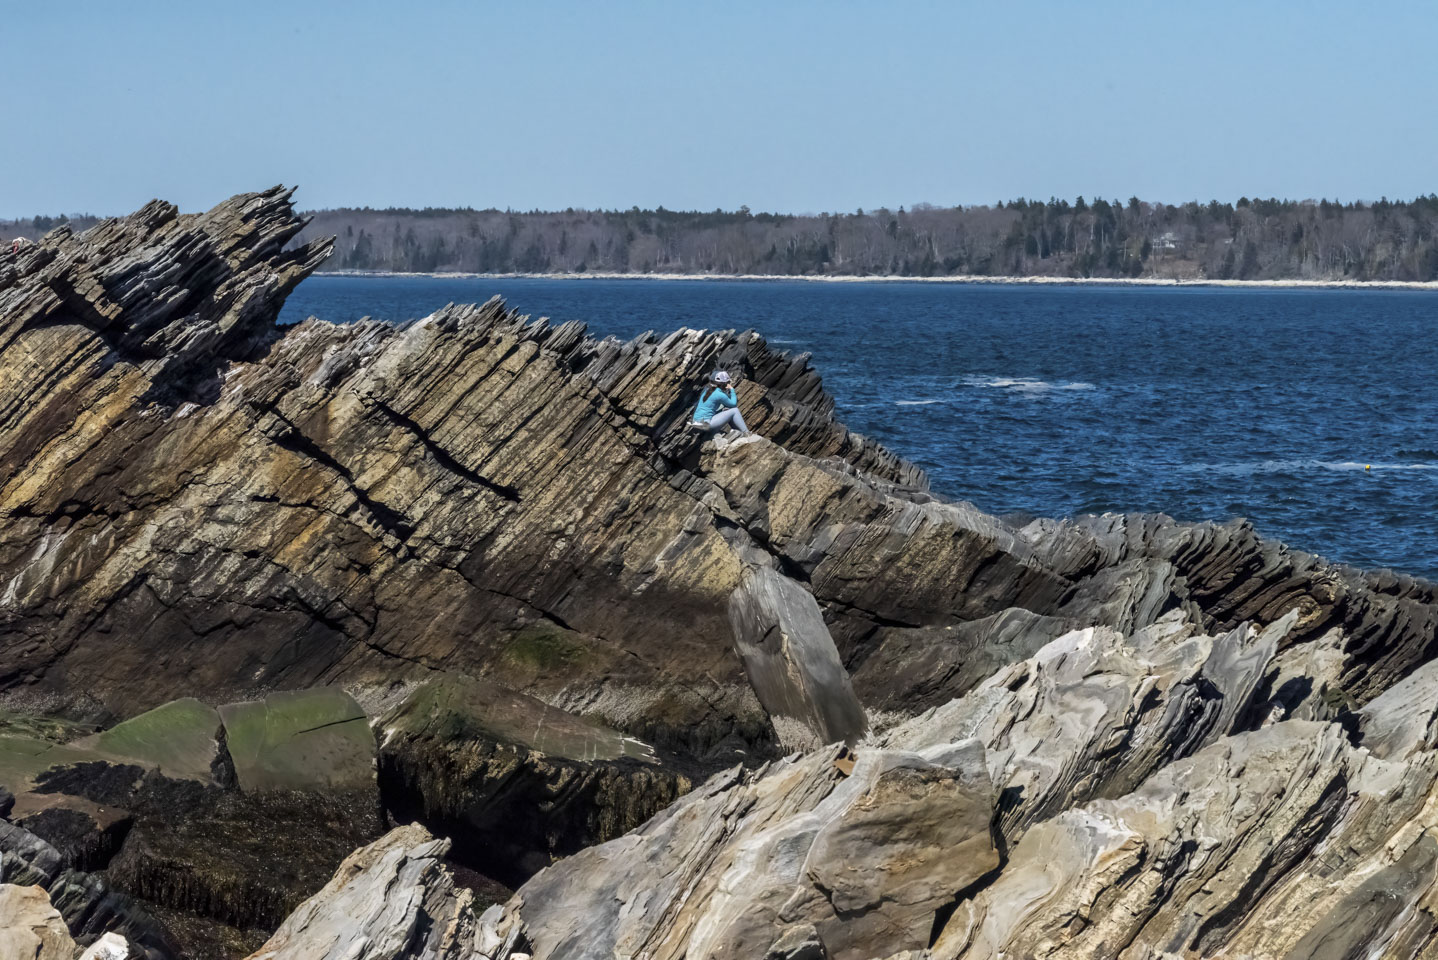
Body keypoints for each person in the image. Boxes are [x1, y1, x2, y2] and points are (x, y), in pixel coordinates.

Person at [692, 370, 750, 436]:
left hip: (697, 422)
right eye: (728, 383)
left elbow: (708, 410)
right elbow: (733, 404)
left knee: (728, 411)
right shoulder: (719, 394)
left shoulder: (707, 390)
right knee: (734, 410)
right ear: (724, 383)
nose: (729, 384)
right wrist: (732, 390)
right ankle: (747, 433)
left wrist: (721, 411)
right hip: (706, 424)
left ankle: (740, 433)